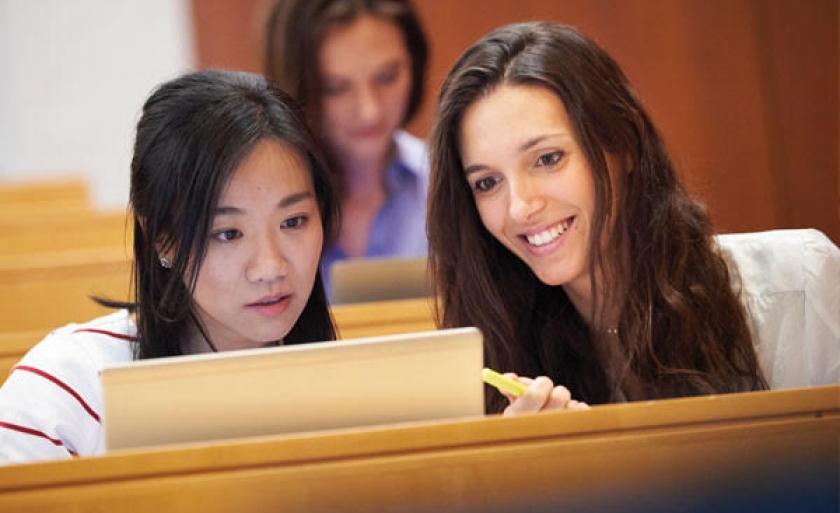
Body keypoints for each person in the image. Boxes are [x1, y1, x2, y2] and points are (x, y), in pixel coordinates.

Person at [428, 22, 782, 415]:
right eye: (488, 182)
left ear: (624, 142)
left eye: (547, 159)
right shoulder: (496, 357)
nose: (519, 207)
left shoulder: (792, 288)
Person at [0, 69, 340, 464]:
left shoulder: (356, 387)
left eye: (293, 222)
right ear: (163, 240)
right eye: (228, 234)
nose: (270, 267)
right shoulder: (71, 387)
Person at [264, 0, 430, 296]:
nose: (370, 111)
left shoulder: (451, 182)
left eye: (387, 77)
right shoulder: (258, 206)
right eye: (336, 88)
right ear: (295, 87)